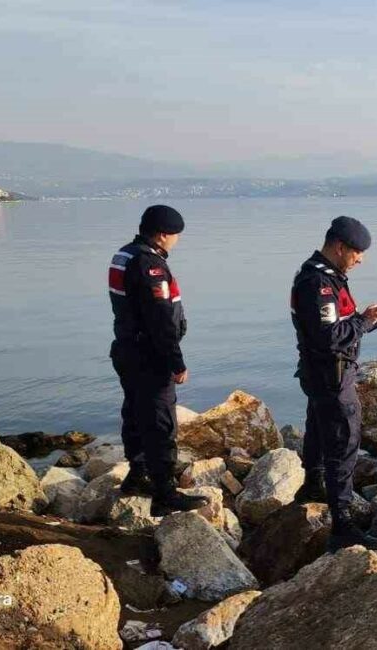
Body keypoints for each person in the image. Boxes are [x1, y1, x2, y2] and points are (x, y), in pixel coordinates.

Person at [290, 216, 377, 552]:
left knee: (318, 429)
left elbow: (336, 325)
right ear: (339, 247)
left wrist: (364, 320)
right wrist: (361, 322)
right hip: (331, 375)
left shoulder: (327, 277)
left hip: (323, 374)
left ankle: (313, 484)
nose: (360, 259)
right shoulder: (318, 283)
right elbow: (329, 337)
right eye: (357, 252)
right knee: (344, 441)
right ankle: (342, 523)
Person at [109, 205, 208, 516]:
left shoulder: (123, 255)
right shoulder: (149, 265)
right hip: (150, 355)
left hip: (126, 349)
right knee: (160, 422)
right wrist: (176, 363)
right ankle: (165, 492)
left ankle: (137, 475)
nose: (176, 241)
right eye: (175, 235)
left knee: (135, 413)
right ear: (163, 235)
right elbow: (161, 321)